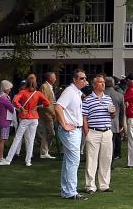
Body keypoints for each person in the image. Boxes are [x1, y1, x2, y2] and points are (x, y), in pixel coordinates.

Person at [0, 72, 51, 166]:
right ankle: (28, 161)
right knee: (31, 140)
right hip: (34, 118)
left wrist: (21, 108)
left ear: (26, 83)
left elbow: (15, 101)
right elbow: (47, 102)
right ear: (35, 83)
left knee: (17, 138)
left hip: (25, 118)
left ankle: (8, 160)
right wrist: (39, 106)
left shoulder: (23, 92)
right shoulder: (38, 93)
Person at [52, 70, 89, 200]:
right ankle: (71, 192)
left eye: (85, 78)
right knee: (74, 160)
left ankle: (67, 190)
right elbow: (58, 107)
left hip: (74, 130)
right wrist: (64, 124)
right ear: (74, 79)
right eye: (82, 78)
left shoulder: (76, 93)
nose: (84, 81)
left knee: (69, 161)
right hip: (71, 131)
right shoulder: (70, 92)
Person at [82, 74, 116, 194]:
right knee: (91, 160)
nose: (103, 84)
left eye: (104, 82)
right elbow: (84, 118)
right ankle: (90, 186)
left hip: (106, 131)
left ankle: (104, 185)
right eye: (100, 82)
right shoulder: (87, 100)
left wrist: (113, 113)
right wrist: (87, 134)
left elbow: (112, 115)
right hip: (94, 131)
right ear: (94, 85)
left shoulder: (108, 98)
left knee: (106, 159)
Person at [37, 72, 59, 159]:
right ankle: (44, 151)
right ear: (50, 78)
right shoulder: (44, 87)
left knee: (48, 133)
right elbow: (44, 102)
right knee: (51, 133)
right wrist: (52, 113)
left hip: (50, 114)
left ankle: (44, 152)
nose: (55, 79)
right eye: (54, 77)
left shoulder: (50, 87)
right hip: (46, 114)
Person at [0, 80, 16, 163]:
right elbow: (11, 108)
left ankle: (0, 157)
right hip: (5, 121)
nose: (10, 90)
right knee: (2, 140)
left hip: (3, 120)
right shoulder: (4, 98)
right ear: (5, 88)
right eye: (9, 88)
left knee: (3, 139)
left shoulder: (1, 97)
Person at [105, 76, 126, 160]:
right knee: (112, 143)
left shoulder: (101, 94)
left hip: (102, 123)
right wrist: (121, 124)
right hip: (115, 123)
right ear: (113, 84)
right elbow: (122, 112)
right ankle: (111, 161)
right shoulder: (119, 95)